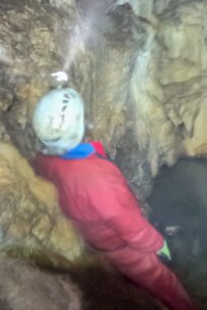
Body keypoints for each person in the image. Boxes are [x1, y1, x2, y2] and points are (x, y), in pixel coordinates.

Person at [31, 86, 196, 310]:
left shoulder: (43, 160)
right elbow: (127, 223)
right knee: (163, 281)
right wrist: (158, 244)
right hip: (115, 245)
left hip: (87, 232)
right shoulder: (95, 177)